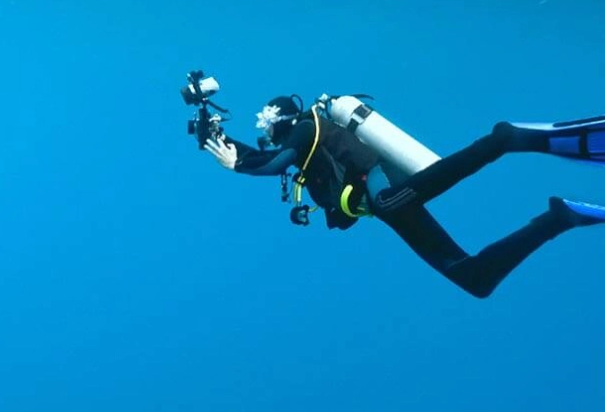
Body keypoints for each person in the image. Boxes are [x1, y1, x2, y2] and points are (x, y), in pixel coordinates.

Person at [204, 95, 605, 298]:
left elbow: (274, 163)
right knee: (474, 279)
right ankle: (558, 218)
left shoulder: (307, 129)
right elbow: (266, 158)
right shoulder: (303, 149)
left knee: (401, 197)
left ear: (283, 120)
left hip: (383, 195)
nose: (266, 131)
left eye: (267, 122)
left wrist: (237, 166)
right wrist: (216, 139)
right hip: (386, 207)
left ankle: (503, 139)